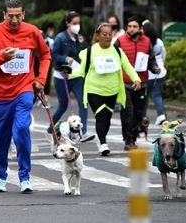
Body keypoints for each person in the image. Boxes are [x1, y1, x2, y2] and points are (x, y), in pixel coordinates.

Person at [0, 0, 51, 193]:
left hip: (24, 88)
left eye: (17, 15)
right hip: (0, 94)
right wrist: (3, 57)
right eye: (10, 15)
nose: (14, 19)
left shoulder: (32, 31)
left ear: (23, 14)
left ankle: (25, 177)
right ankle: (1, 175)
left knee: (21, 129)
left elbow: (45, 55)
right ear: (4, 14)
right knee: (1, 138)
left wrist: (41, 79)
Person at [69, 22, 141, 156]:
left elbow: (128, 66)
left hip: (112, 91)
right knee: (101, 116)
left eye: (110, 34)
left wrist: (136, 79)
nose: (108, 37)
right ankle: (103, 143)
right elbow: (80, 70)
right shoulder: (89, 52)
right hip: (94, 90)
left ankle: (101, 139)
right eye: (104, 34)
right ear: (98, 36)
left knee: (106, 119)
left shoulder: (117, 51)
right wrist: (69, 73)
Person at [46, 11, 94, 143]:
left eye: (78, 23)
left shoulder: (79, 37)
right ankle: (51, 129)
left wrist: (84, 44)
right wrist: (65, 59)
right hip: (62, 77)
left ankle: (82, 132)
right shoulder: (60, 38)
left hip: (77, 75)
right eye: (74, 23)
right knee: (63, 106)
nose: (77, 26)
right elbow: (54, 56)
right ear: (67, 23)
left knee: (83, 102)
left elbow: (84, 53)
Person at [114, 16, 160, 150]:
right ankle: (128, 139)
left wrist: (155, 68)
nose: (131, 29)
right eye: (129, 26)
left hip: (142, 83)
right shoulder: (120, 41)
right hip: (125, 83)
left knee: (139, 112)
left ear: (140, 28)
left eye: (134, 26)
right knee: (128, 112)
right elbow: (112, 57)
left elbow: (151, 60)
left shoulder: (146, 41)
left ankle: (133, 136)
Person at [142, 20, 167, 125]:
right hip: (160, 72)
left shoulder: (144, 43)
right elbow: (164, 55)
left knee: (144, 96)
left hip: (148, 73)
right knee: (157, 95)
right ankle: (161, 116)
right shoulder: (159, 42)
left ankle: (142, 116)